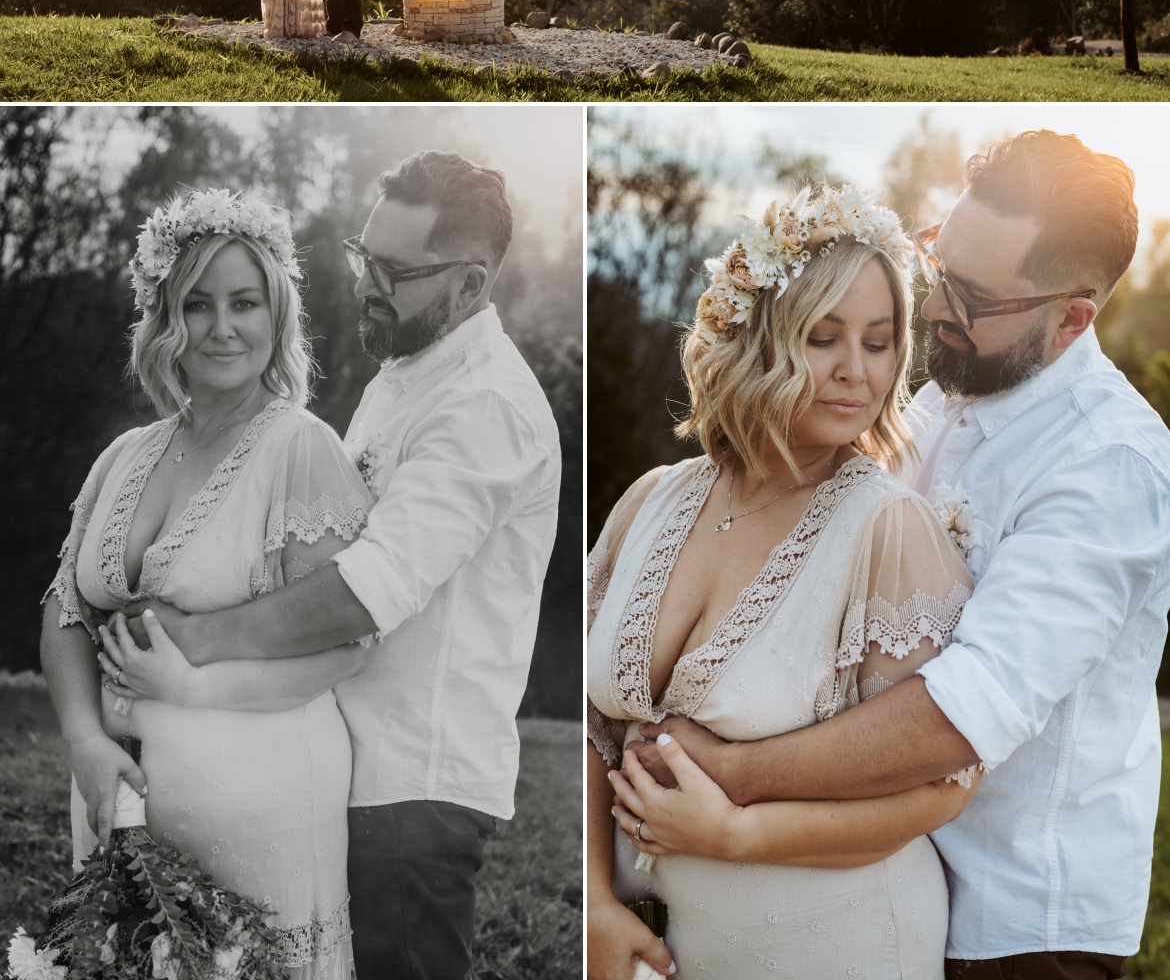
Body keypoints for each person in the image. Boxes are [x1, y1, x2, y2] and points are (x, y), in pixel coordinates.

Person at [630, 133, 1170, 980]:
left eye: (974, 294)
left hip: (1015, 927)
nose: (938, 305)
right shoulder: (939, 397)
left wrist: (730, 773)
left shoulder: (1109, 467)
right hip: (871, 882)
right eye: (937, 264)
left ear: (1073, 317)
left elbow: (958, 715)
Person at [111, 151, 563, 980]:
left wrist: (197, 639)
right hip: (339, 771)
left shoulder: (486, 408)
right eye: (365, 256)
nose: (366, 284)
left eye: (394, 270)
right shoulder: (408, 372)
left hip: (411, 794)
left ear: (468, 285)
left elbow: (364, 593)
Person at [587, 184, 981, 980]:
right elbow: (589, 731)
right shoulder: (650, 500)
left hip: (838, 942)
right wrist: (596, 900)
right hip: (659, 948)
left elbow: (943, 786)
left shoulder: (886, 529)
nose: (855, 372)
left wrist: (736, 833)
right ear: (759, 336)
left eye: (877, 343)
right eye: (823, 336)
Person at [40, 190, 374, 980]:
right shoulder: (125, 454)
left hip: (260, 808)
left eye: (244, 303)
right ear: (164, 320)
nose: (222, 327)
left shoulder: (301, 448)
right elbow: (64, 610)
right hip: (114, 799)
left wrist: (192, 690)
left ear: (276, 314)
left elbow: (350, 646)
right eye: (197, 304)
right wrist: (86, 742)